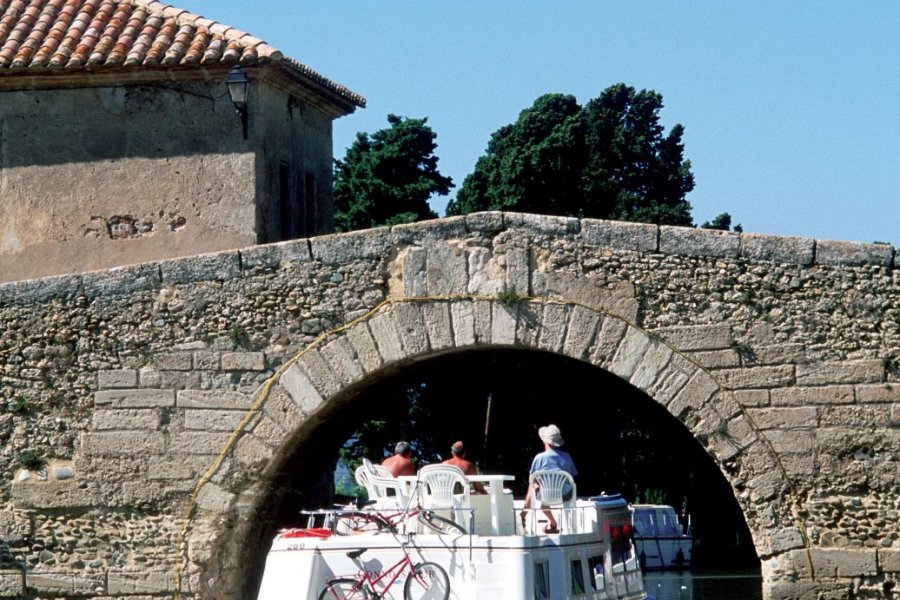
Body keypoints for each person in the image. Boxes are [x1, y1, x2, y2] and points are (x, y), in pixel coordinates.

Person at [521, 424, 577, 534]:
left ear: (545, 441)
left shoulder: (539, 458)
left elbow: (531, 480)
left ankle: (527, 514)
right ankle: (565, 528)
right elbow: (572, 476)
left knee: (533, 486)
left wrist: (538, 484)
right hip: (565, 495)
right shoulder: (567, 456)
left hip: (545, 496)